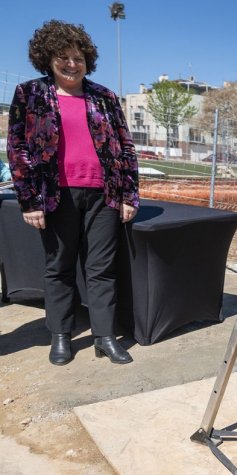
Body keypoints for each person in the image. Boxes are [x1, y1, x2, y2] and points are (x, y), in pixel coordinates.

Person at [7, 20, 139, 366]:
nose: (71, 64)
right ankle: (61, 335)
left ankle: (105, 336)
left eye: (78, 57)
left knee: (101, 268)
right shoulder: (30, 94)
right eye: (63, 57)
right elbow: (17, 147)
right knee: (59, 267)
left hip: (103, 195)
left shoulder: (105, 97)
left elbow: (126, 147)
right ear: (48, 59)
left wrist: (128, 195)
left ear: (87, 60)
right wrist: (29, 199)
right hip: (55, 195)